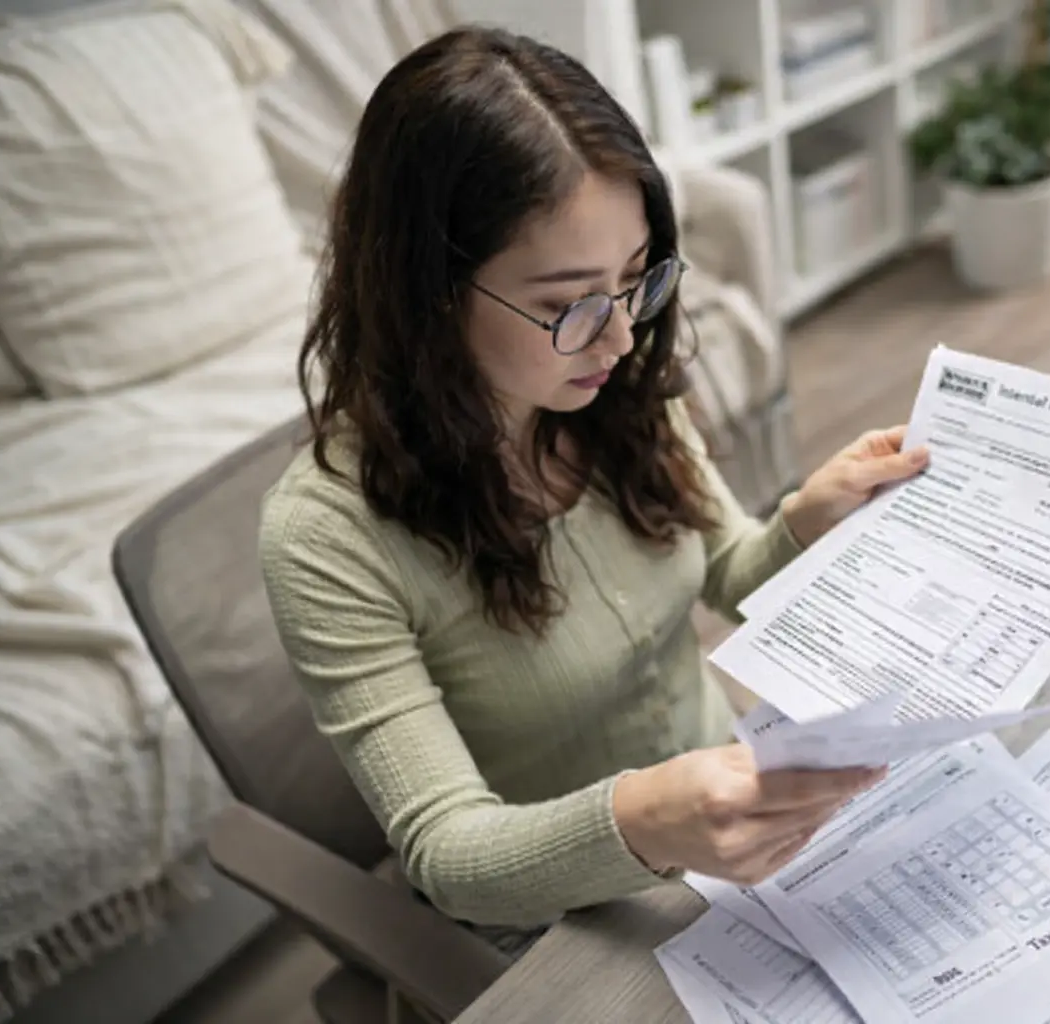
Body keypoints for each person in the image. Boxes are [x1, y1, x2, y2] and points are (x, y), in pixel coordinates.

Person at [257, 24, 929, 955]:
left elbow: (723, 568)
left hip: (734, 839)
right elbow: (448, 852)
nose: (618, 340)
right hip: (560, 924)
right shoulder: (327, 537)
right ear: (424, 291)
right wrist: (645, 817)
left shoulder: (608, 391)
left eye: (633, 281)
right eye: (567, 304)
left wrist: (804, 525)